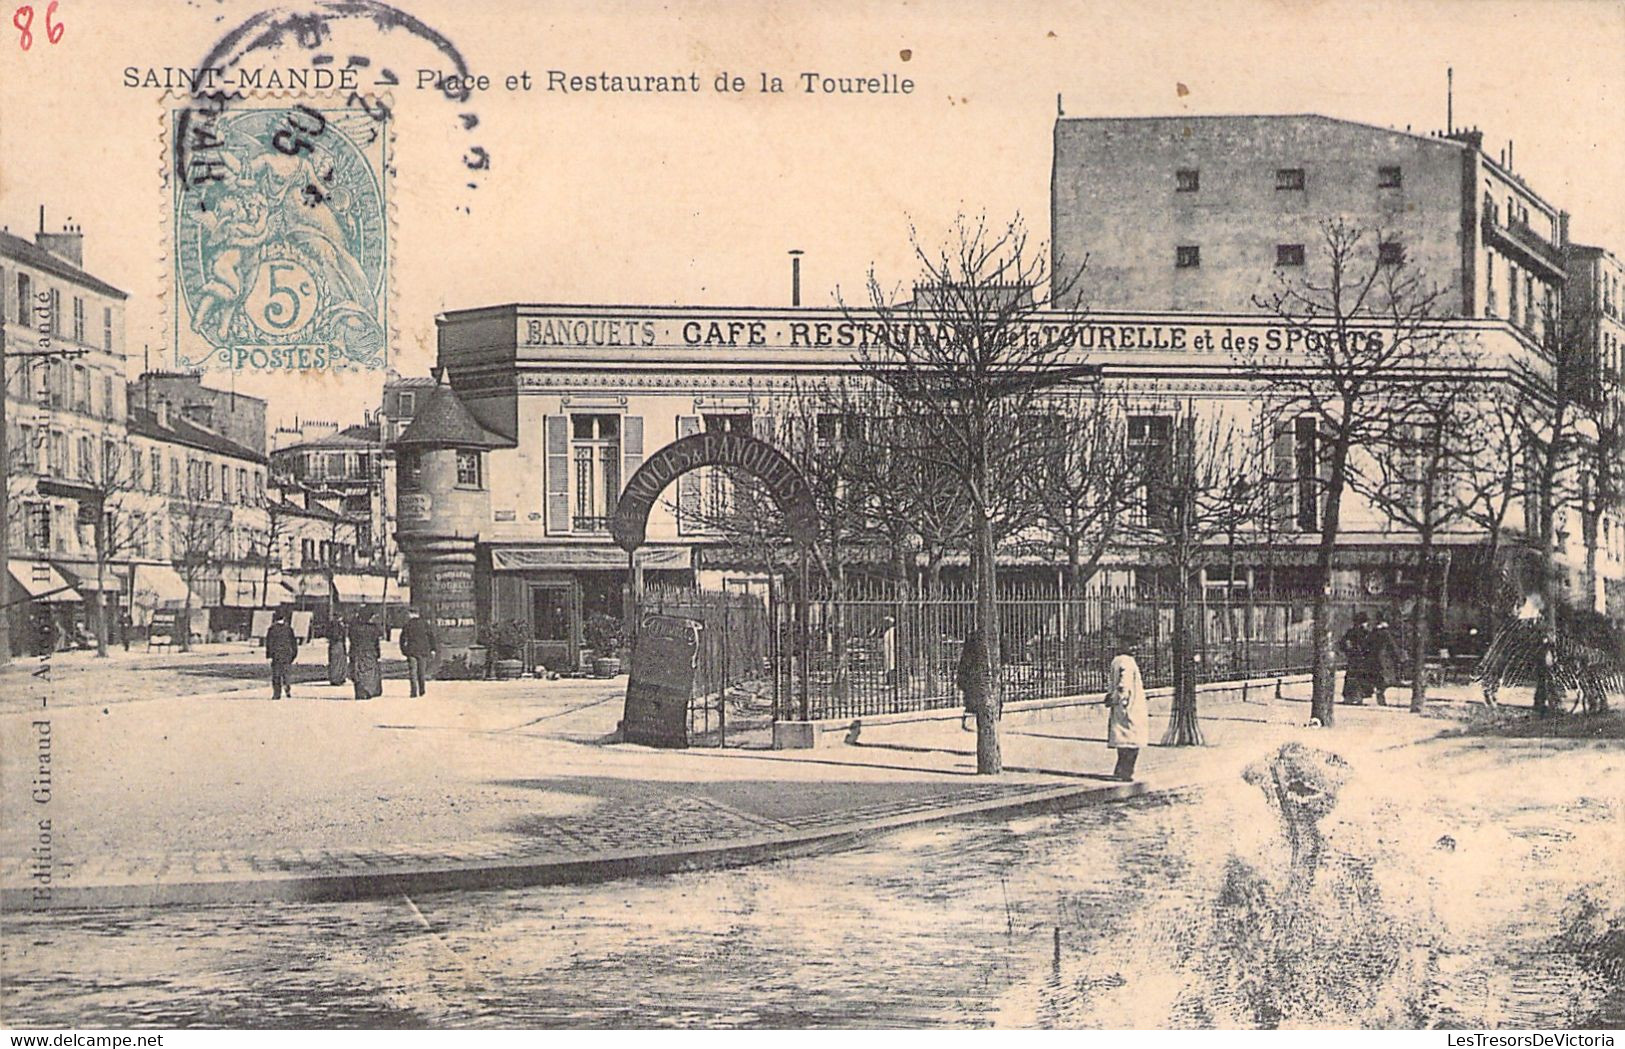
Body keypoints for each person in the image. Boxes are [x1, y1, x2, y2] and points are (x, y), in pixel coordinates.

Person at [1105, 639, 1148, 781]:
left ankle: (1120, 769)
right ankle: (1126, 771)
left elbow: (1113, 682)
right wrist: (1122, 699)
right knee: (1133, 741)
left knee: (1122, 740)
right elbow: (1124, 684)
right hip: (1130, 706)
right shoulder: (1127, 662)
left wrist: (1112, 697)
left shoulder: (1116, 660)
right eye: (1133, 645)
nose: (1136, 648)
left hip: (1120, 706)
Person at [399, 610, 439, 698]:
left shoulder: (408, 625)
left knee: (412, 672)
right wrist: (433, 649)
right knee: (421, 672)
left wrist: (404, 650)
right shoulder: (425, 624)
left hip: (412, 651)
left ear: (410, 614)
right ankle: (422, 690)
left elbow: (402, 639)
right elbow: (431, 637)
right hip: (423, 651)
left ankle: (413, 692)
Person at [1339, 613, 1375, 705]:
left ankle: (1350, 696)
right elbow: (1369, 645)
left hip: (1354, 658)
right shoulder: (1365, 633)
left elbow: (1343, 644)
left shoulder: (1351, 632)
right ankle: (1358, 696)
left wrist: (1348, 651)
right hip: (1361, 659)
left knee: (1352, 677)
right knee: (1360, 678)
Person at [957, 629, 989, 732]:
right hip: (986, 676)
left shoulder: (972, 638)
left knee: (974, 700)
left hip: (974, 675)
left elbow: (965, 661)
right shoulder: (994, 635)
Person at [348, 611, 383, 700]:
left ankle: (361, 692)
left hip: (358, 652)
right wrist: (378, 652)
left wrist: (351, 653)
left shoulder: (355, 628)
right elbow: (376, 642)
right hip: (370, 652)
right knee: (370, 673)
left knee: (359, 672)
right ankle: (370, 690)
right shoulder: (373, 629)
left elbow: (352, 641)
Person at [264, 610, 299, 700]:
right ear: (284, 619)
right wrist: (294, 654)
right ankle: (287, 688)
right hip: (287, 654)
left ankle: (277, 693)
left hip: (276, 655)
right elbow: (293, 643)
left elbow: (269, 643)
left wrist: (269, 655)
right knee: (286, 673)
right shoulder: (288, 629)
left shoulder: (272, 629)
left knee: (276, 674)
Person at [1371, 618, 1400, 707]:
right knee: (1385, 679)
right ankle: (1381, 696)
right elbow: (1392, 646)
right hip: (1384, 659)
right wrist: (1398, 656)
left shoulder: (1373, 633)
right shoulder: (1386, 633)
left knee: (1378, 678)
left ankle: (1379, 694)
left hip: (1374, 658)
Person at [326, 614, 350, 687]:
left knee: (337, 661)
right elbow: (338, 635)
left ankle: (338, 677)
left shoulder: (333, 625)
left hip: (336, 645)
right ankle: (337, 678)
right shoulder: (337, 626)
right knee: (337, 661)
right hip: (337, 644)